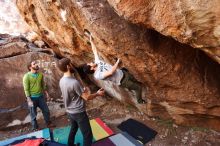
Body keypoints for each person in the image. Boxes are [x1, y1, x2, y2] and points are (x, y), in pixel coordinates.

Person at [82, 34, 146, 104]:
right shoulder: (98, 75)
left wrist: (91, 41)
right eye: (90, 64)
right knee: (138, 88)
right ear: (91, 68)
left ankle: (136, 84)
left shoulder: (97, 62)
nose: (91, 62)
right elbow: (110, 72)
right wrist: (117, 62)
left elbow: (94, 50)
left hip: (123, 73)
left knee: (135, 80)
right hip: (122, 81)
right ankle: (140, 101)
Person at [57, 58, 105, 146]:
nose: (72, 65)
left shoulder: (62, 80)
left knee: (74, 128)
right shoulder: (74, 82)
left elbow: (72, 93)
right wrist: (98, 94)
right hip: (78, 112)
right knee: (87, 135)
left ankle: (70, 144)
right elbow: (87, 97)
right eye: (71, 64)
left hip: (69, 111)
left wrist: (82, 91)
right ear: (68, 66)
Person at [23, 61, 54, 130]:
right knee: (33, 114)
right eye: (34, 64)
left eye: (36, 63)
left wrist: (46, 93)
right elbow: (26, 89)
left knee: (46, 110)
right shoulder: (26, 76)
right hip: (32, 98)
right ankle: (35, 127)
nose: (36, 65)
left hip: (40, 97)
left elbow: (43, 85)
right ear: (30, 67)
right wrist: (29, 100)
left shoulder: (40, 75)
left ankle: (48, 123)